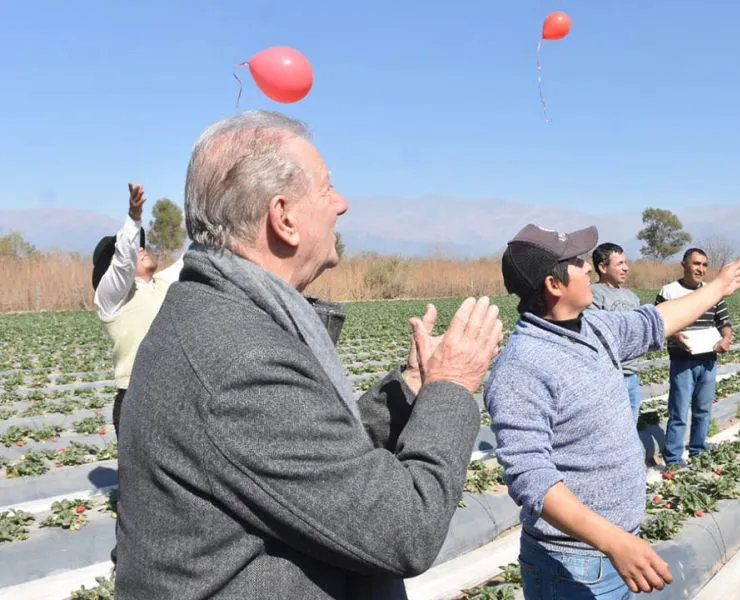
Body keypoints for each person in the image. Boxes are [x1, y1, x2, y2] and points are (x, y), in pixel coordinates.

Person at [114, 110, 503, 599]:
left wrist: (410, 386)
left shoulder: (227, 316)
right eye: (326, 189)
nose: (341, 204)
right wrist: (451, 387)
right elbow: (405, 529)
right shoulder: (238, 358)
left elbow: (314, 452)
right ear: (285, 218)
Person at [484, 223, 740, 599]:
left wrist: (718, 288)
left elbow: (656, 320)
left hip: (616, 548)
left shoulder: (592, 326)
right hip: (571, 566)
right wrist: (613, 541)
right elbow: (531, 478)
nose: (590, 269)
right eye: (577, 263)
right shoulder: (522, 366)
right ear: (554, 284)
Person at [91, 183, 184, 439]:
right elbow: (123, 263)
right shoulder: (112, 298)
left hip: (175, 396)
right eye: (134, 247)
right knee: (139, 479)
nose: (140, 249)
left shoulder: (163, 284)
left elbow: (195, 256)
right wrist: (133, 218)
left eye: (141, 245)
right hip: (138, 399)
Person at [654, 248, 734, 469]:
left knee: (703, 409)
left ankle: (698, 449)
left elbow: (724, 323)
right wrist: (675, 335)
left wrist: (726, 338)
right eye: (696, 264)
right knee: (679, 410)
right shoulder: (668, 292)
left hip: (708, 359)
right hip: (682, 360)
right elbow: (658, 323)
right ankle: (673, 458)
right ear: (684, 265)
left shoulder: (712, 292)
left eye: (704, 265)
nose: (701, 269)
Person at [590, 242, 644, 421]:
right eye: (620, 263)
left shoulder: (632, 297)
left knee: (631, 429)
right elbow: (598, 333)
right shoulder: (594, 294)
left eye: (625, 262)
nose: (626, 268)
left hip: (632, 375)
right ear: (603, 267)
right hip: (609, 378)